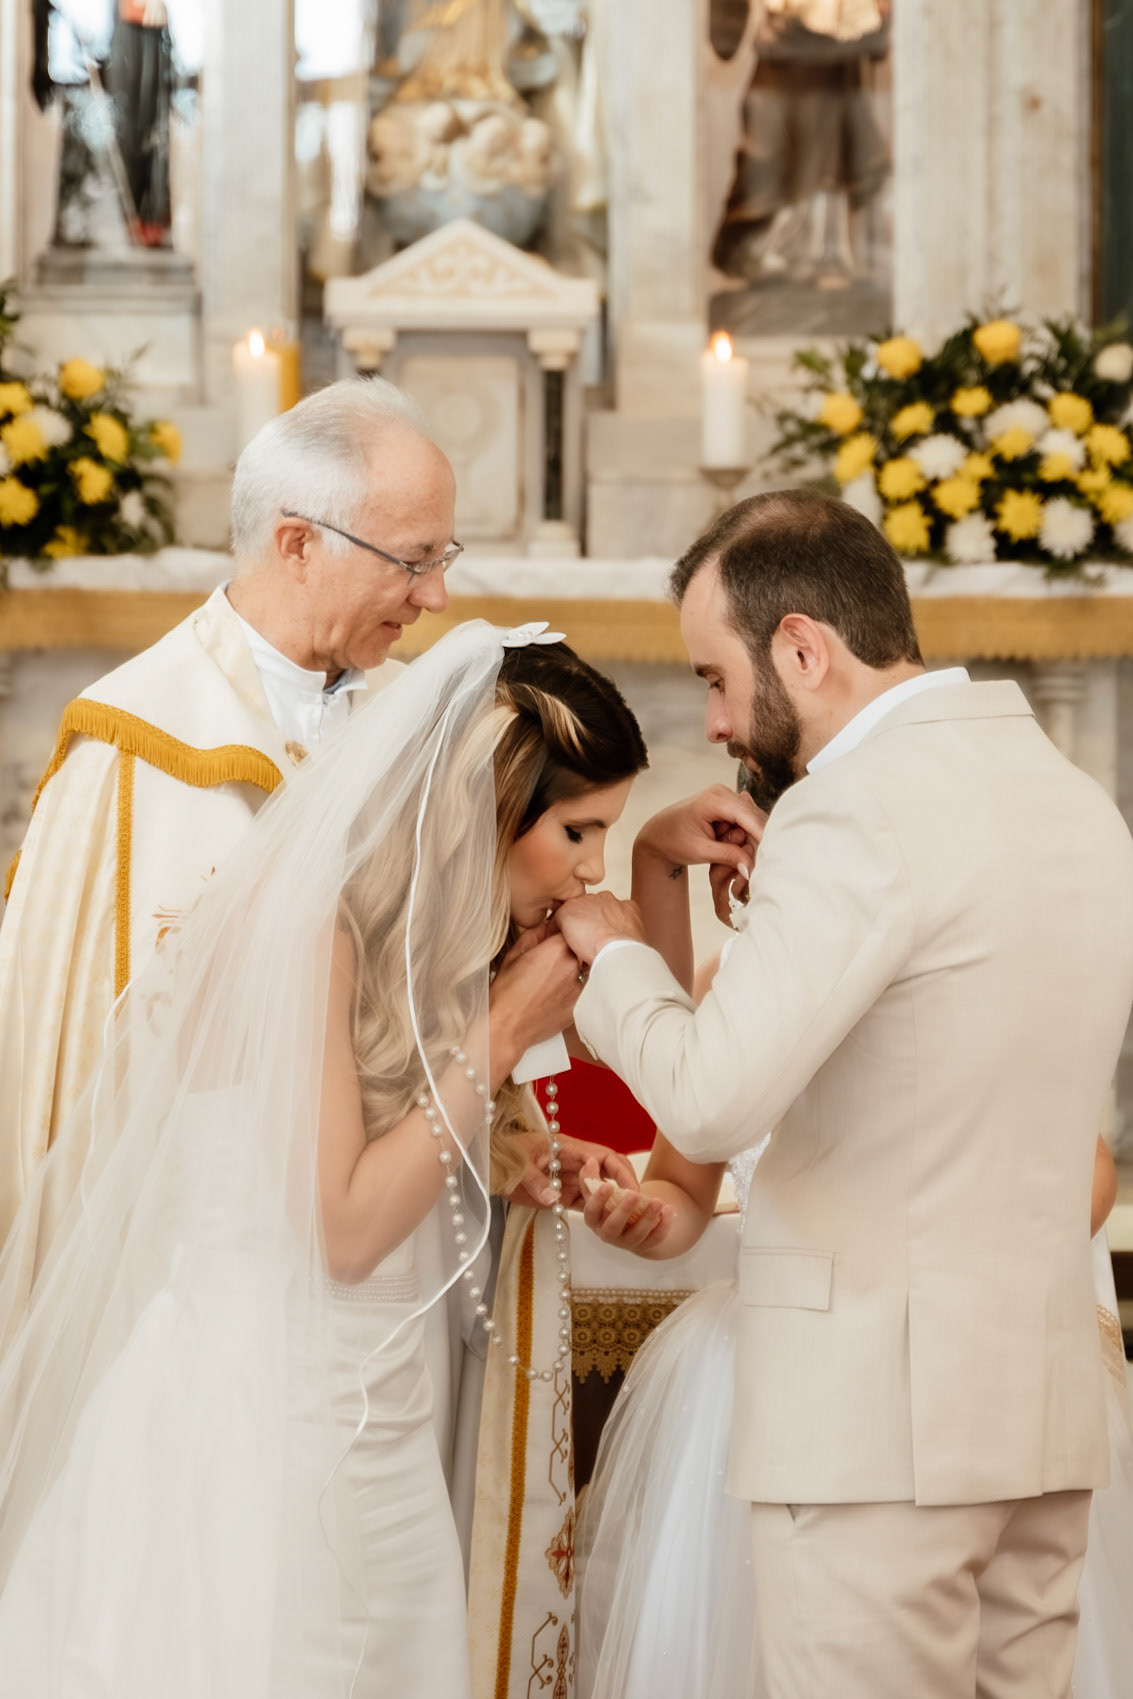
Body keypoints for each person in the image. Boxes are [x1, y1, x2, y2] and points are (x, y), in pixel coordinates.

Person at [0, 620, 648, 1697]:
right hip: (258, 1430)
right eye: (578, 830)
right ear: (487, 805)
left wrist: (505, 1153)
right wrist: (496, 1034)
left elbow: (405, 1123)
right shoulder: (305, 924)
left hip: (380, 1418)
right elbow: (343, 1229)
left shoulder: (422, 927)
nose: (591, 869)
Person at [557, 488, 1133, 1698]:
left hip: (876, 1433)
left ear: (801, 648)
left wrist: (611, 953)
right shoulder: (1072, 800)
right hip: (1039, 1413)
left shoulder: (851, 808)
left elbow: (709, 1102)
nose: (716, 723)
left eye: (716, 678)